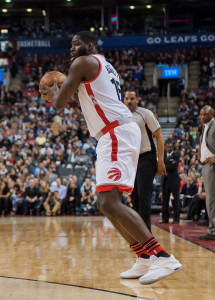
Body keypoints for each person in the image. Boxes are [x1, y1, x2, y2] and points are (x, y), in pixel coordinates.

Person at [40, 30, 182, 284]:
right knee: (105, 203)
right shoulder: (100, 66)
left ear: (90, 45)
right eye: (70, 46)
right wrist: (63, 89)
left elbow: (60, 104)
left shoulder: (83, 62)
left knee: (109, 201)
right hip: (112, 134)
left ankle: (163, 257)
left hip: (115, 132)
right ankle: (143, 258)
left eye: (76, 44)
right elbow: (80, 96)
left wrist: (52, 92)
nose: (71, 49)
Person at [124, 89, 165, 231]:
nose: (129, 101)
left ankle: (146, 232)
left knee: (143, 194)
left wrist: (160, 161)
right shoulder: (121, 115)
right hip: (130, 160)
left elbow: (159, 136)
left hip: (146, 157)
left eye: (132, 98)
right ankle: (138, 231)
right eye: (127, 98)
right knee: (133, 196)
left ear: (137, 99)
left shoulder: (145, 113)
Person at [198, 105, 215, 240]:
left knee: (212, 200)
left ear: (212, 113)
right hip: (205, 166)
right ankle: (212, 228)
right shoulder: (205, 126)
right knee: (210, 200)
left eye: (206, 114)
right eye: (201, 114)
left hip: (212, 165)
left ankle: (213, 231)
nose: (203, 117)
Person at [161, 142, 181, 224]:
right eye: (167, 146)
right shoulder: (163, 155)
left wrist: (164, 165)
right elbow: (160, 165)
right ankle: (165, 218)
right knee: (165, 200)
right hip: (165, 180)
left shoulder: (176, 155)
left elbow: (173, 167)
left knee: (176, 199)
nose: (168, 147)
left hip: (174, 181)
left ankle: (176, 218)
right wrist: (168, 164)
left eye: (170, 146)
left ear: (172, 147)